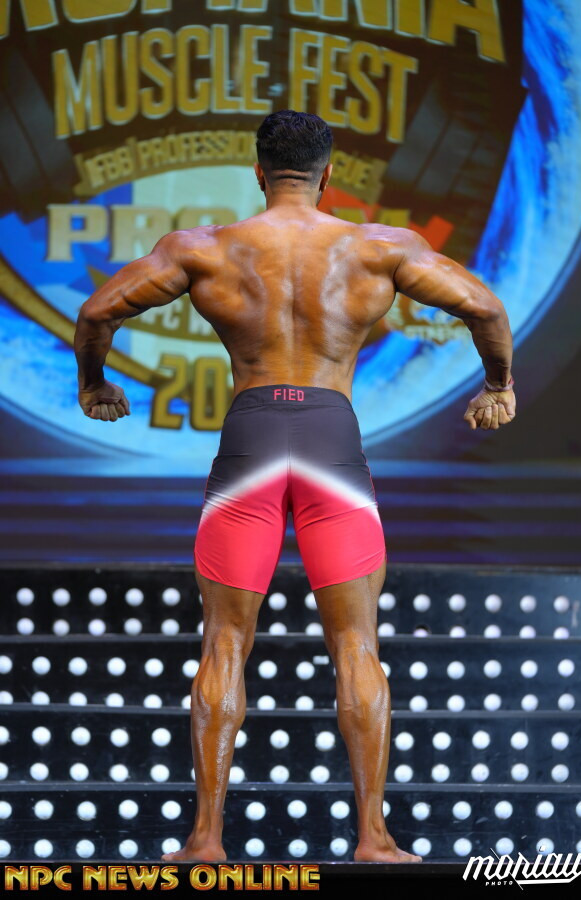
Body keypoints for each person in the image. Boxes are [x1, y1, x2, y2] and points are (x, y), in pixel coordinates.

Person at [74, 109, 515, 864]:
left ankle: (205, 839)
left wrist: (95, 384)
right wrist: (498, 385)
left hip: (249, 442)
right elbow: (485, 308)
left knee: (223, 642)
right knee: (356, 644)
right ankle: (373, 838)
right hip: (329, 443)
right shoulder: (380, 248)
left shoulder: (203, 250)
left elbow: (96, 312)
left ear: (257, 172)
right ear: (328, 175)